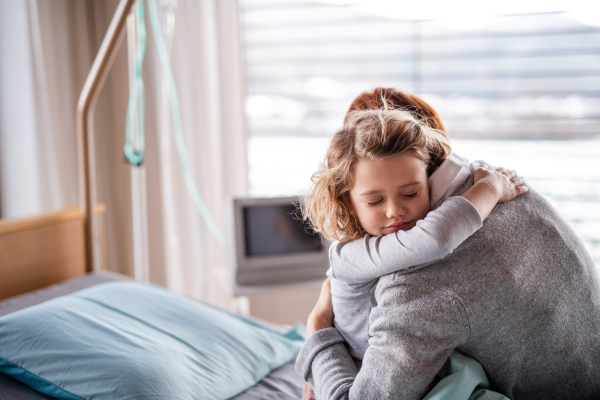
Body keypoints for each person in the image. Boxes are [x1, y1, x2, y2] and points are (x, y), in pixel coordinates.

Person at [296, 89, 600, 400]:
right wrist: (490, 184)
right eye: (374, 199)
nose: (394, 211)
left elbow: (435, 240)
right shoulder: (498, 180)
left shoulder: (417, 282)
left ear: (424, 165)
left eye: (410, 192)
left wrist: (319, 332)